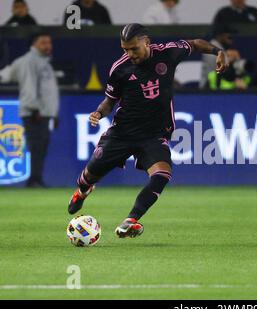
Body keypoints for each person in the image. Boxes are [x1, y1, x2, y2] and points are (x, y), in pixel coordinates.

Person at [67, 23, 228, 238]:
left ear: (147, 42)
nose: (130, 54)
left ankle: (130, 219)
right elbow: (109, 101)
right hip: (122, 133)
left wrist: (218, 52)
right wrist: (98, 113)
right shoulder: (119, 68)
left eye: (134, 48)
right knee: (89, 175)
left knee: (163, 174)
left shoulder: (168, 53)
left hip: (154, 134)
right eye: (125, 49)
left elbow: (195, 44)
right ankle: (83, 191)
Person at [0, 33, 59, 187]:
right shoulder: (30, 61)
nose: (48, 46)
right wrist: (34, 109)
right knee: (37, 146)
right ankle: (34, 179)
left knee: (40, 146)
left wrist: (53, 113)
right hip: (34, 112)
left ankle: (36, 178)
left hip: (43, 112)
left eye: (49, 42)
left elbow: (6, 74)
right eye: (43, 42)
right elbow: (29, 87)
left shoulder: (41, 61)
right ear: (34, 44)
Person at [200, 24, 235, 89]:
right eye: (228, 35)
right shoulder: (211, 48)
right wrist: (230, 61)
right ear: (220, 35)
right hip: (208, 88)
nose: (231, 37)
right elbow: (216, 71)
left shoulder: (220, 48)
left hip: (216, 86)